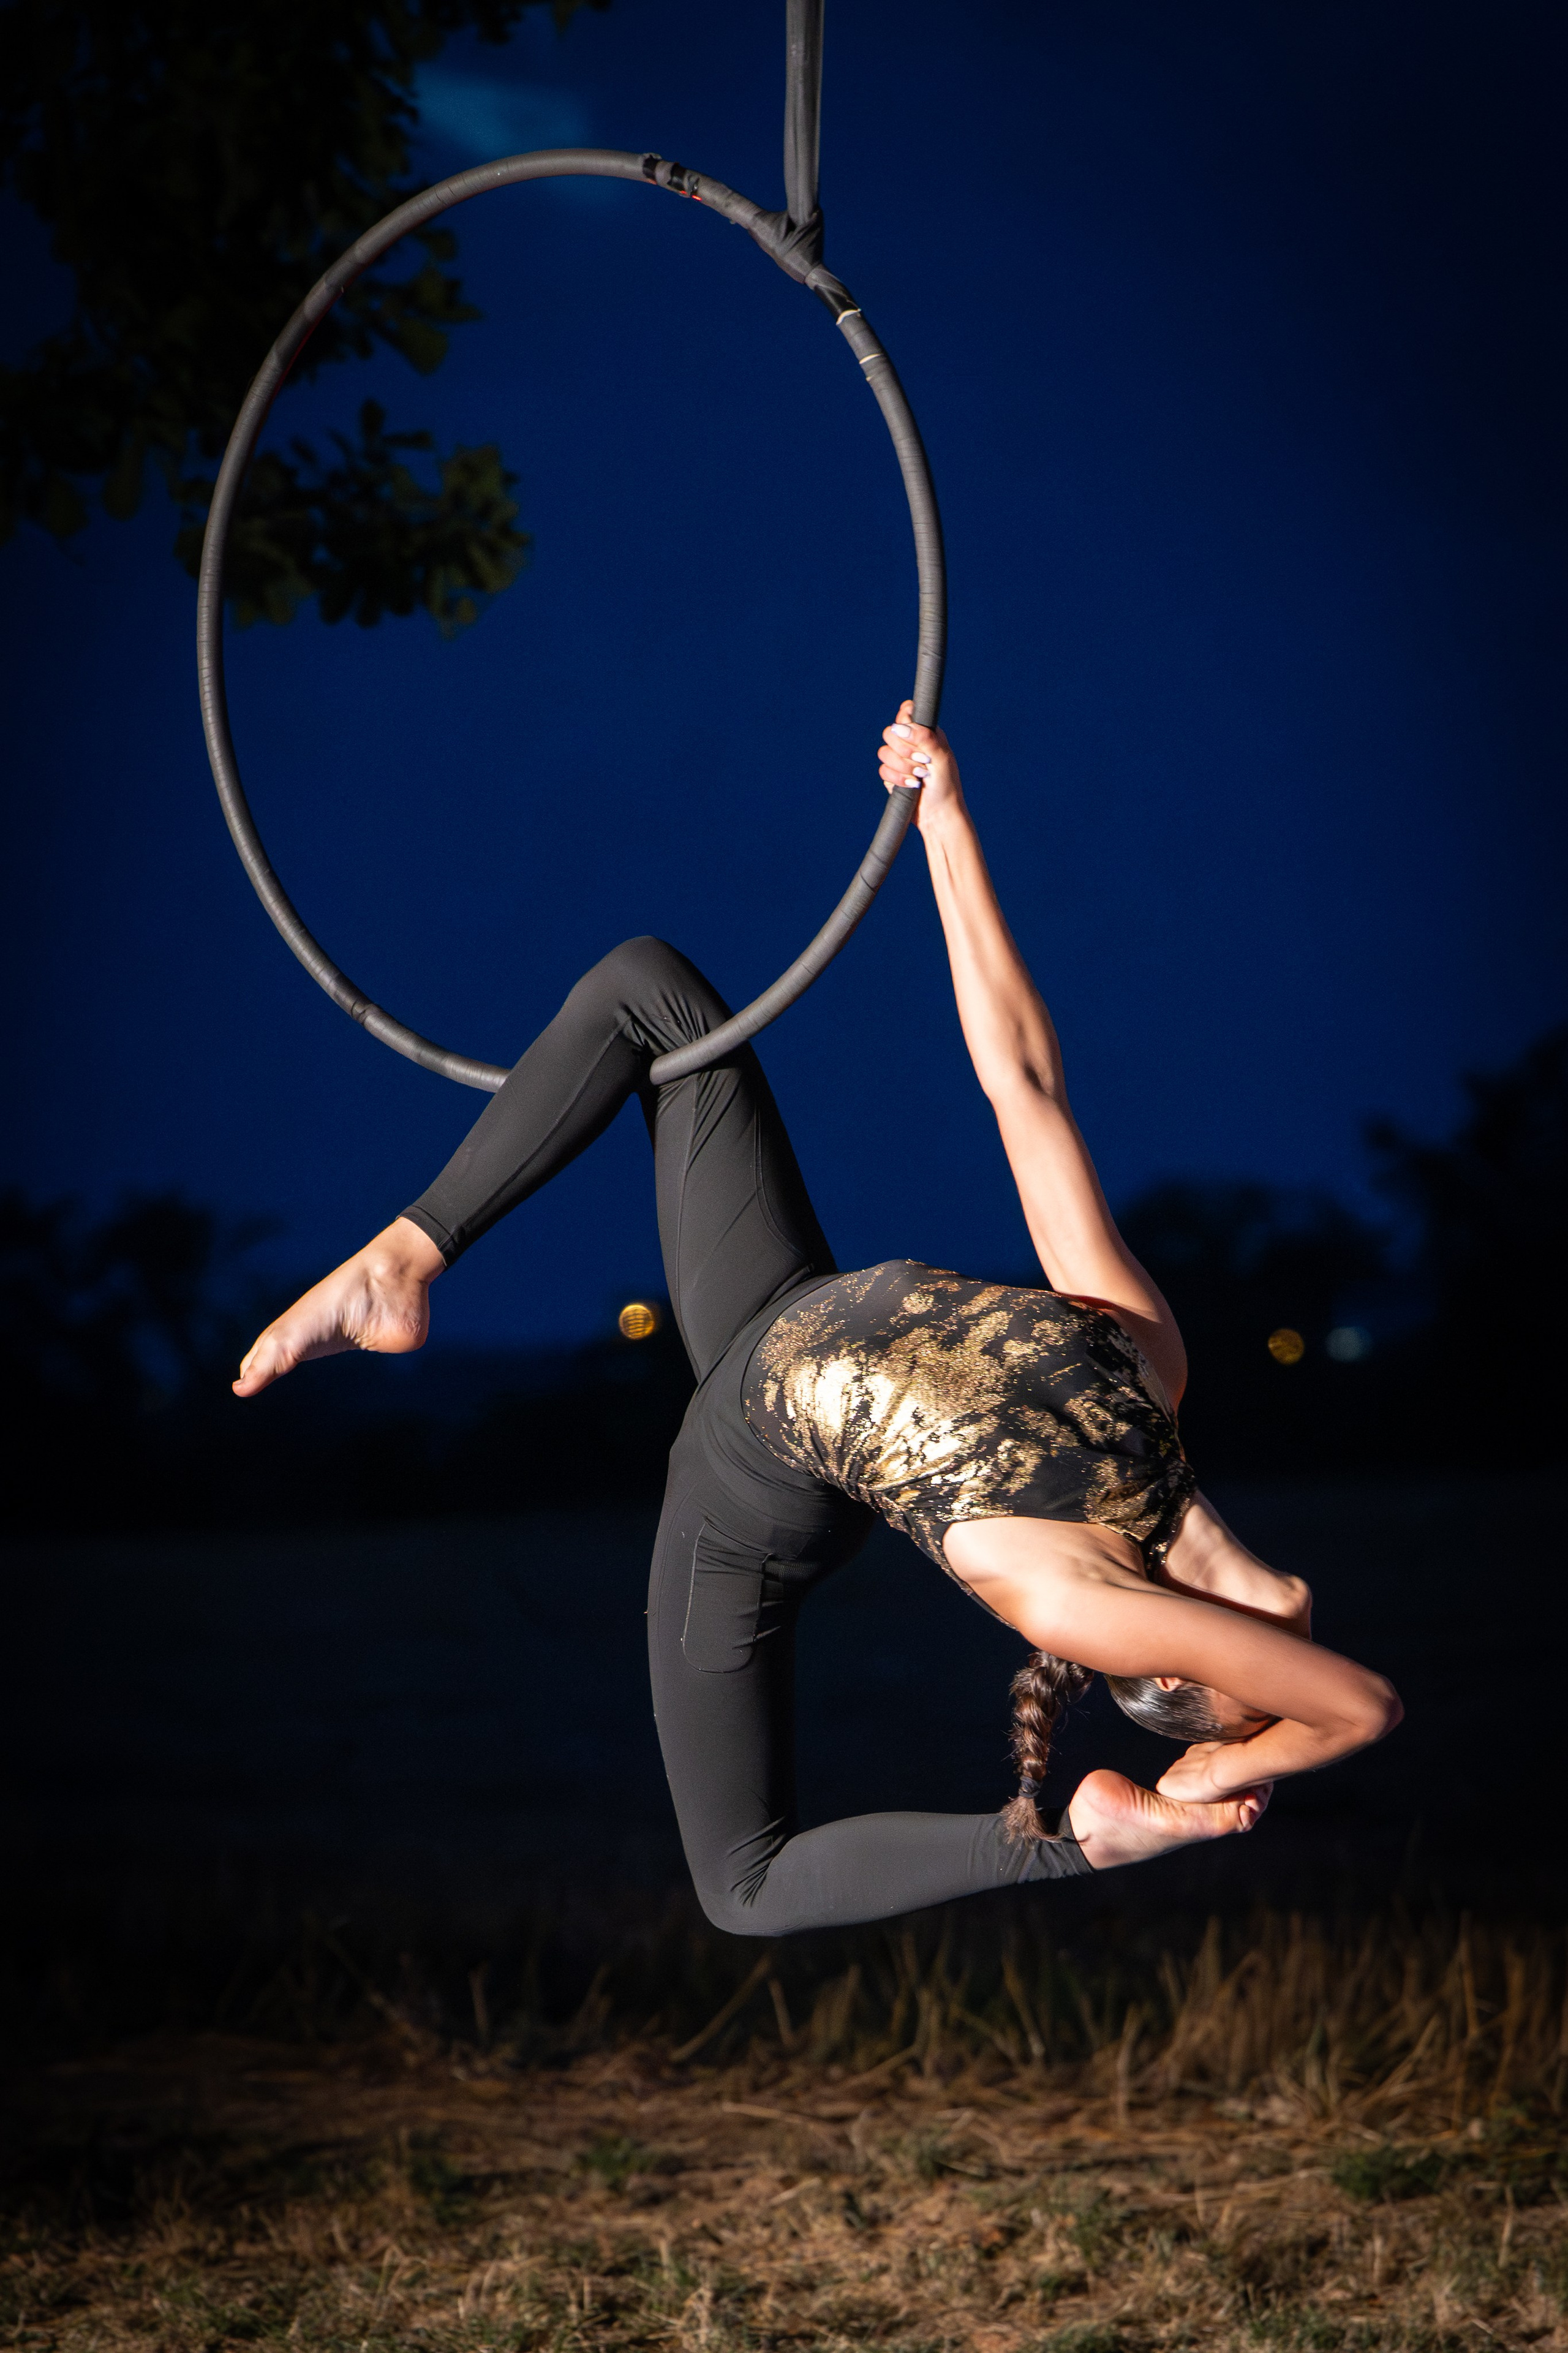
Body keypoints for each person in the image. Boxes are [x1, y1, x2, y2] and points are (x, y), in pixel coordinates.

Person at [233, 706, 1401, 1935]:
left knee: (741, 1886)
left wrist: (1216, 1778)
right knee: (649, 987)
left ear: (1183, 1668)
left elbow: (1362, 1707)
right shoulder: (1141, 1362)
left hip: (750, 1490)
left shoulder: (1076, 1597)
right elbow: (1024, 1083)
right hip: (779, 1316)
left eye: (1260, 1687)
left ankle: (1073, 1847)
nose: (1299, 1634)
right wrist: (944, 820)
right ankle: (401, 1261)